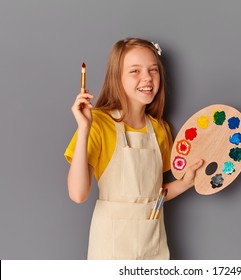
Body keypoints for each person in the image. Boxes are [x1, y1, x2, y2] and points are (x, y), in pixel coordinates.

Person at [64, 37, 203, 260]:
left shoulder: (161, 130)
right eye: (135, 71)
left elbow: (152, 196)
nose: (147, 78)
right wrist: (84, 128)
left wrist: (185, 183)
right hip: (110, 249)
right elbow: (78, 194)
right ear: (116, 77)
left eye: (153, 70)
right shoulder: (98, 123)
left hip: (153, 248)